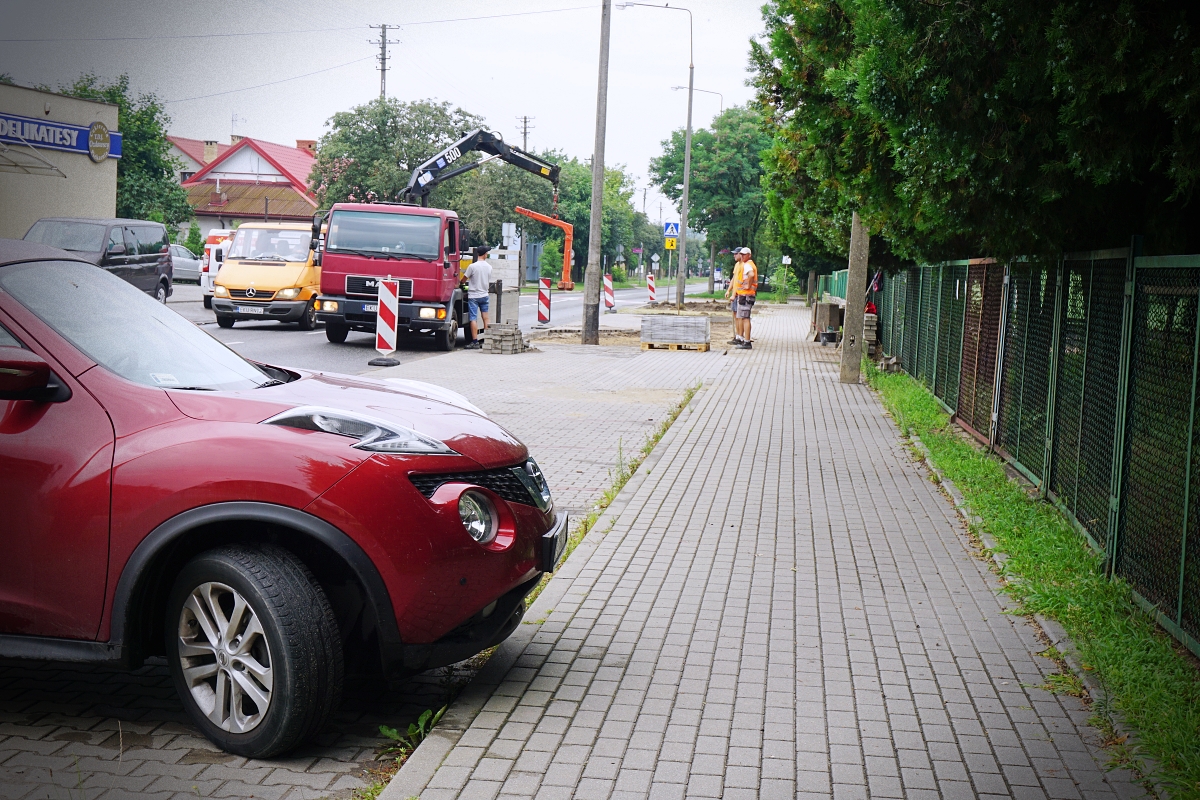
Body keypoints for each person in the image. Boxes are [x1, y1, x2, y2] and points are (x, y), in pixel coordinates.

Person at [727, 247, 758, 349]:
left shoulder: (747, 265)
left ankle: (746, 341)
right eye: (741, 254)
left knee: (745, 318)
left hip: (746, 295)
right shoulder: (745, 264)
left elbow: (751, 275)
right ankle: (743, 339)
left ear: (749, 255)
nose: (742, 256)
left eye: (744, 254)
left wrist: (748, 286)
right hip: (744, 295)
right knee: (743, 317)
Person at [463, 246, 492, 350]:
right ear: (484, 254)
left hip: (474, 296)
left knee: (473, 318)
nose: (487, 254)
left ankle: (475, 341)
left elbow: (464, 278)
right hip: (484, 295)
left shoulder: (472, 266)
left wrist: (461, 283)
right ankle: (488, 340)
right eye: (487, 253)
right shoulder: (489, 267)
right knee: (486, 318)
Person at [725, 249, 745, 344]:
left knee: (739, 317)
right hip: (735, 294)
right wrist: (728, 290)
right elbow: (734, 279)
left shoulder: (743, 265)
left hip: (739, 294)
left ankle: (740, 337)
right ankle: (737, 335)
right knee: (735, 315)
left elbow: (739, 282)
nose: (734, 256)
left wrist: (734, 294)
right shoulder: (737, 265)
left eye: (736, 254)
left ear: (741, 254)